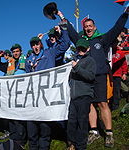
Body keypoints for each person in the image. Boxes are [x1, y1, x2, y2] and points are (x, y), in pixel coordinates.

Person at [57, 8, 128, 147]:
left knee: (102, 103)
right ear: (84, 29)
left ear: (94, 27)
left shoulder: (102, 39)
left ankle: (108, 133)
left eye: (90, 26)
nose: (88, 28)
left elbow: (116, 28)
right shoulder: (81, 41)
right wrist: (62, 18)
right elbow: (71, 32)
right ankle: (94, 131)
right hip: (85, 79)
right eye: (86, 27)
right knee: (89, 105)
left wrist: (125, 14)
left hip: (100, 76)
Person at [25, 32, 70, 150]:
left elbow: (65, 44)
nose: (35, 47)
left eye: (37, 44)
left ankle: (44, 147)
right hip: (33, 96)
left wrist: (63, 28)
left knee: (45, 125)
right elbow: (26, 76)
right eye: (33, 45)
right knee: (32, 126)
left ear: (41, 44)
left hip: (47, 95)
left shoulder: (49, 53)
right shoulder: (29, 59)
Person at [67, 39, 96, 150]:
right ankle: (72, 144)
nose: (80, 51)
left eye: (83, 48)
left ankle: (81, 146)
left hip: (84, 96)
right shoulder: (74, 61)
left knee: (82, 122)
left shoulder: (90, 61)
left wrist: (77, 67)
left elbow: (90, 76)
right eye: (79, 48)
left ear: (88, 49)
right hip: (73, 97)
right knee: (71, 121)